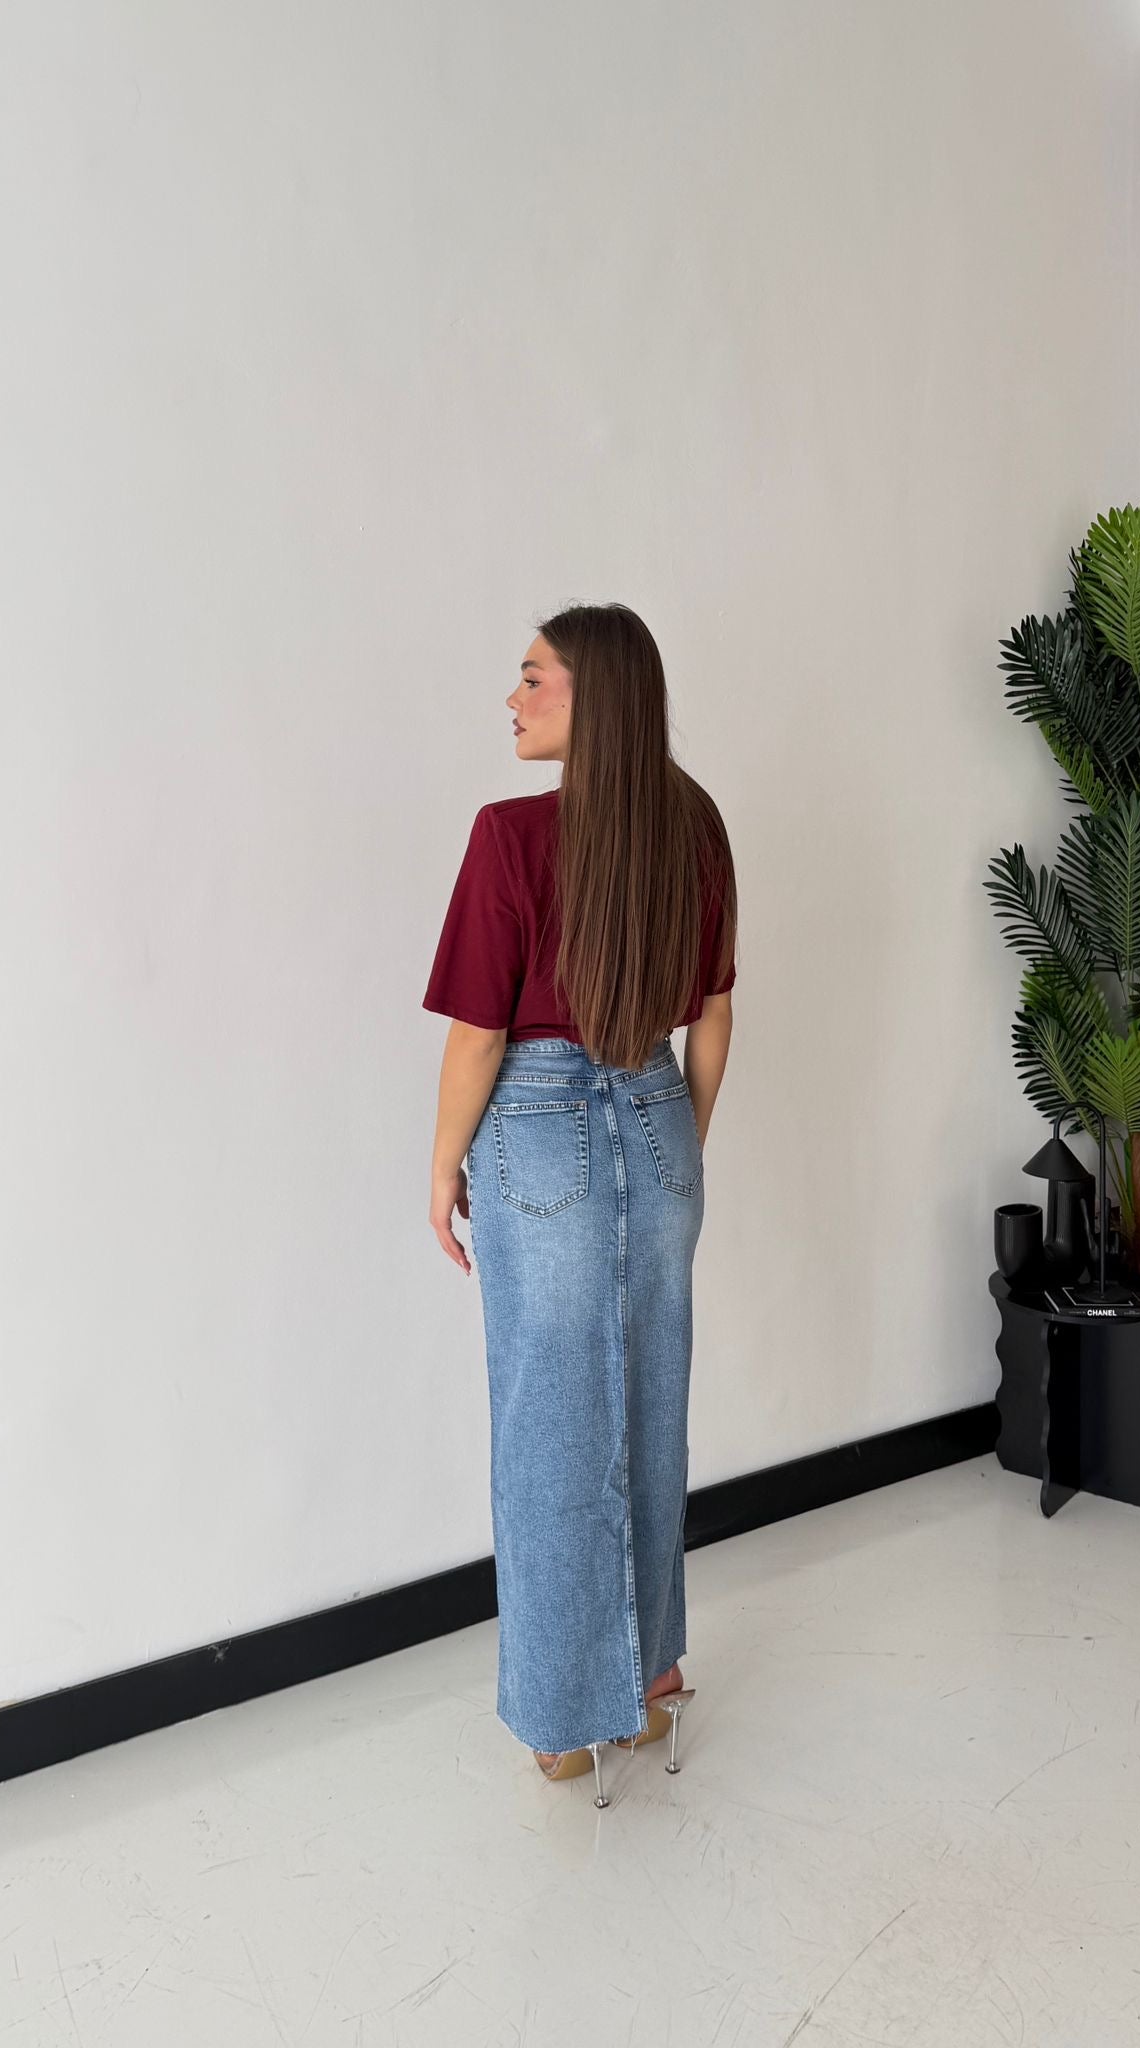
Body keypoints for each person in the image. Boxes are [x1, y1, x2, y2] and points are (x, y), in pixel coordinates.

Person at [422, 603, 736, 1809]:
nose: (512, 699)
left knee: (548, 1423)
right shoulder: (695, 824)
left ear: (594, 695)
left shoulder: (510, 836)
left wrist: (442, 1165)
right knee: (649, 1398)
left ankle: (563, 1720)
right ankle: (650, 1673)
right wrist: (673, 1146)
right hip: (657, 1116)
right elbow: (712, 1012)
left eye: (533, 678)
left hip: (539, 1128)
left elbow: (479, 1035)